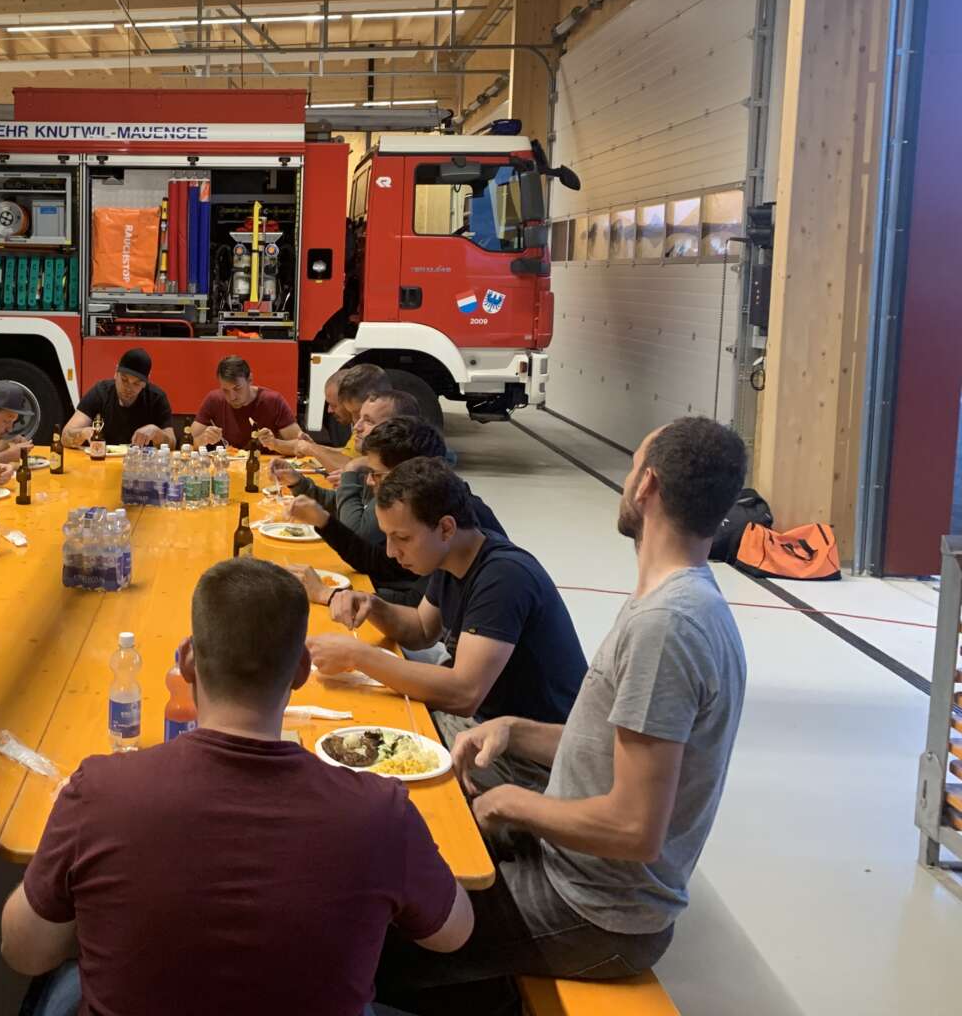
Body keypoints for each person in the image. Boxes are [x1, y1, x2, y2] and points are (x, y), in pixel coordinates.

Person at [373, 417, 749, 1008]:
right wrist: (515, 729)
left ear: (647, 486)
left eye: (631, 466)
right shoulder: (675, 602)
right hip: (570, 868)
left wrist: (510, 803)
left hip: (591, 907)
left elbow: (634, 829)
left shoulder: (667, 627)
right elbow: (607, 749)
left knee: (371, 934)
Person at [0, 558, 474, 1016]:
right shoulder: (380, 814)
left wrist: (80, 861)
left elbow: (24, 953)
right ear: (302, 671)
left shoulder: (100, 793)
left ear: (187, 662)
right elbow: (452, 934)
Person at [305, 457, 586, 794]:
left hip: (526, 756)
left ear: (446, 528)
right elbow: (421, 629)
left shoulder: (503, 578)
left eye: (402, 538)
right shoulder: (451, 557)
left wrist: (359, 656)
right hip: (484, 725)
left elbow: (463, 693)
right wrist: (373, 605)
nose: (391, 552)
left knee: (376, 775)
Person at [289, 418, 504, 606]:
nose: (369, 481)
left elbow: (415, 610)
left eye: (376, 474)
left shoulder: (452, 519)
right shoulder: (426, 507)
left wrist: (331, 595)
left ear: (409, 472)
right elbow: (382, 564)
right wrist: (324, 521)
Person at [272, 390, 422, 523]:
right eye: (358, 417)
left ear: (396, 429)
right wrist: (297, 482)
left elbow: (357, 530)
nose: (357, 427)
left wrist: (351, 469)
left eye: (368, 421)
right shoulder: (377, 465)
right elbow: (339, 504)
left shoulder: (397, 477)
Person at [257, 363, 389, 468]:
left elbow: (349, 466)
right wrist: (314, 447)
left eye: (334, 405)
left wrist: (313, 449)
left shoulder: (384, 431)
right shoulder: (366, 424)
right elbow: (348, 453)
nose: (329, 410)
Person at [62, 348, 175, 449]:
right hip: (102, 460)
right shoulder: (100, 392)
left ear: (145, 382)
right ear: (116, 373)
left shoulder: (156, 398)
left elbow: (172, 444)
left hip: (139, 462)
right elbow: (65, 436)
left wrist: (156, 433)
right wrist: (83, 433)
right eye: (124, 380)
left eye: (136, 383)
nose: (128, 388)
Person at [184, 355, 302, 449]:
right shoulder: (214, 400)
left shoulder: (273, 401)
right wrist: (204, 439)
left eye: (237, 388)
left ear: (250, 379)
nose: (232, 397)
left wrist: (275, 443)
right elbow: (187, 444)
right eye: (225, 390)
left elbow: (301, 445)